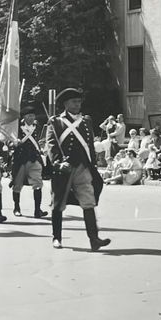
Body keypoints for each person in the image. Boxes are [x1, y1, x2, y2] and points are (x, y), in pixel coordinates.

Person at [45, 87, 109, 251]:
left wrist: (93, 164)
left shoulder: (86, 120)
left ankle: (94, 239)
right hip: (64, 168)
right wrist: (58, 162)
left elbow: (89, 146)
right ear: (66, 104)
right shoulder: (55, 122)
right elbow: (51, 145)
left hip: (83, 166)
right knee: (58, 203)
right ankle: (57, 238)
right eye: (74, 101)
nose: (77, 104)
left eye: (79, 101)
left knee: (89, 201)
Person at [10, 105, 48, 218]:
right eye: (29, 116)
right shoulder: (16, 127)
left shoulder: (36, 126)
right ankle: (16, 208)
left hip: (34, 158)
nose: (32, 118)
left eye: (33, 115)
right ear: (24, 117)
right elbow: (8, 140)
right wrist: (13, 143)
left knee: (38, 184)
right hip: (20, 159)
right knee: (17, 184)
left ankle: (37, 210)